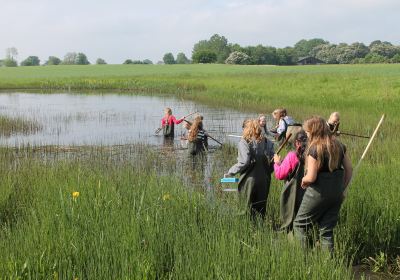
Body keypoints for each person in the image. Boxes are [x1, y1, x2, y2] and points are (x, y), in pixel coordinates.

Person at [293, 116, 352, 252]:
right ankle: (328, 264)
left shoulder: (314, 149)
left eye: (307, 131)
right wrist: (342, 188)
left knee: (300, 225)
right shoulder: (340, 146)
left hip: (318, 192)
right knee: (326, 230)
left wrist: (304, 180)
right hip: (336, 192)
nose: (306, 134)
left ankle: (301, 260)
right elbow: (349, 169)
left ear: (313, 131)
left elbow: (311, 177)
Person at [225, 119, 274, 219]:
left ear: (246, 129)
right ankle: (260, 230)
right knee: (260, 209)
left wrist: (230, 172)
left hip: (249, 180)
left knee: (245, 209)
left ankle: (246, 229)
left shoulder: (244, 141)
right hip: (264, 180)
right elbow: (273, 162)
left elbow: (244, 162)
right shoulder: (267, 142)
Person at [273, 130, 308, 232]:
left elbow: (280, 175)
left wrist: (276, 163)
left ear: (297, 143)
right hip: (306, 192)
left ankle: (288, 232)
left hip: (291, 192)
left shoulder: (292, 156)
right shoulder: (311, 155)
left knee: (289, 216)